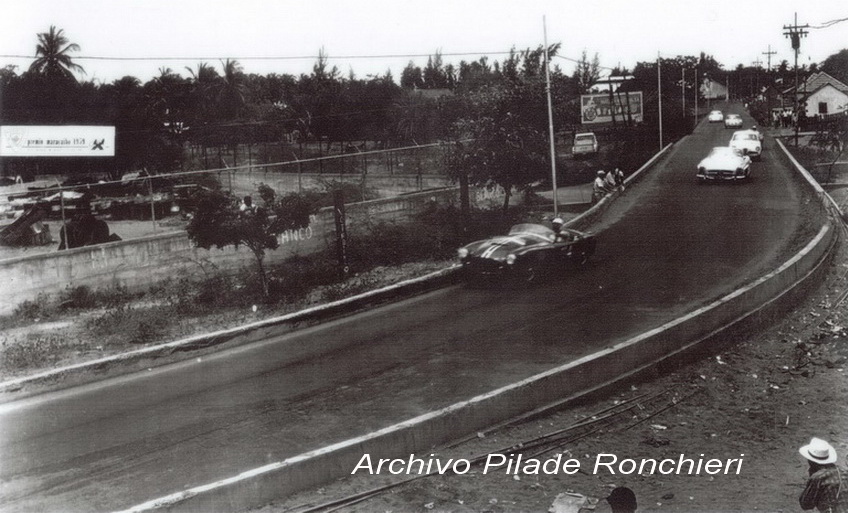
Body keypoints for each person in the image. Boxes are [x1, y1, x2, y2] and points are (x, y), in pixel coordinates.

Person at [798, 437, 848, 512]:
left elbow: (805, 504)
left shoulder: (818, 477)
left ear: (811, 461)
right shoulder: (843, 471)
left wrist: (811, 481)